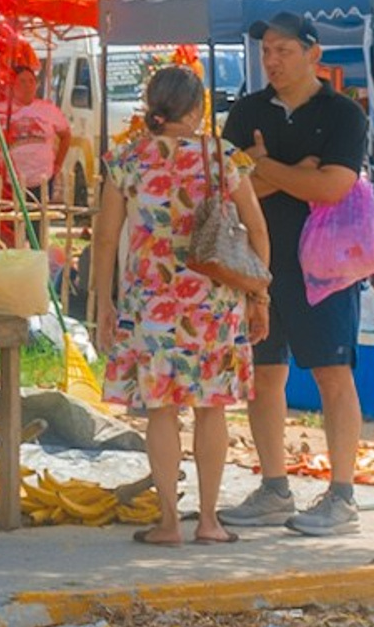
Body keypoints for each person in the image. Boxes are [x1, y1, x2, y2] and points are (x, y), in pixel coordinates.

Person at [89, 64, 271, 546]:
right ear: (198, 109)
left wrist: (103, 303)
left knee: (161, 412)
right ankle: (209, 521)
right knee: (212, 410)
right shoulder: (225, 158)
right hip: (215, 302)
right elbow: (256, 230)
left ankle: (169, 523)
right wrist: (258, 295)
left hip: (150, 303)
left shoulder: (127, 159)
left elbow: (105, 239)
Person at [223, 12, 371, 537]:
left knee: (333, 374)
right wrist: (297, 174)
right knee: (264, 375)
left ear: (314, 53)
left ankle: (343, 494)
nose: (272, 60)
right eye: (266, 50)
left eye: (284, 50)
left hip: (325, 267)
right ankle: (273, 486)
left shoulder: (342, 115)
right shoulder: (245, 112)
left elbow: (333, 188)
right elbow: (231, 192)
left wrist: (263, 167)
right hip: (258, 264)